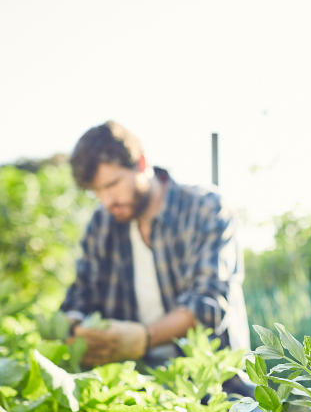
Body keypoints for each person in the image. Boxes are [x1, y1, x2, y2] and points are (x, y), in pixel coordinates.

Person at [60, 121, 251, 387]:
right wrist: (74, 328)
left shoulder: (205, 208)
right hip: (139, 381)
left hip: (215, 380)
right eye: (97, 191)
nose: (107, 200)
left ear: (141, 163)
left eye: (113, 184)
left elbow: (209, 303)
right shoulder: (102, 224)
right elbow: (82, 294)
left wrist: (141, 338)